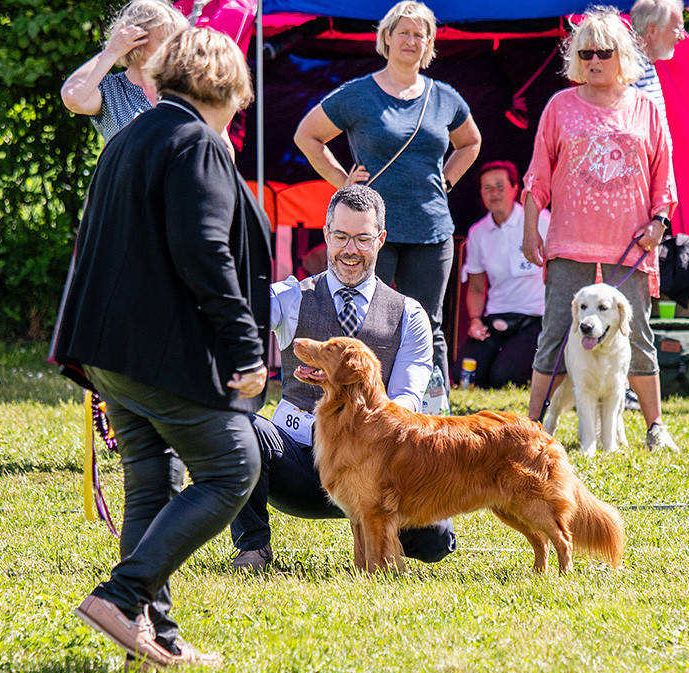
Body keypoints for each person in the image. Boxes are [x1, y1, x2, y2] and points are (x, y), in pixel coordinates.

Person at [52, 28, 272, 668]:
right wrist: (244, 347)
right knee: (234, 466)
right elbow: (204, 251)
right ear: (229, 87)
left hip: (107, 352)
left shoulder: (131, 138)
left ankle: (153, 635)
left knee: (151, 483)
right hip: (153, 351)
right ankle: (123, 597)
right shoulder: (195, 142)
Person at [228, 184, 457, 571]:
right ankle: (253, 547)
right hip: (299, 462)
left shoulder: (410, 315)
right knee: (241, 425)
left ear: (380, 240)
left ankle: (382, 534)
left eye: (363, 238)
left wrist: (364, 448)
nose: (350, 249)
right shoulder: (290, 296)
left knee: (436, 540)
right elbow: (239, 317)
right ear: (326, 234)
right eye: (341, 236)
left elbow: (406, 400)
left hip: (374, 469)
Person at [293, 0, 482, 386]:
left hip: (431, 229)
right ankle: (354, 405)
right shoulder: (358, 94)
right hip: (371, 232)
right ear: (387, 38)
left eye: (420, 34)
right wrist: (342, 182)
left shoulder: (444, 97)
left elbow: (471, 142)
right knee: (363, 316)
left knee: (429, 323)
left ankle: (433, 413)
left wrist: (446, 180)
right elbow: (306, 136)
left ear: (429, 43)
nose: (411, 40)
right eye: (404, 32)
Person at [521, 7, 680, 452]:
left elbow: (663, 174)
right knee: (555, 333)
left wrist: (659, 222)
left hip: (629, 245)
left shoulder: (646, 108)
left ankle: (655, 428)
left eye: (603, 52)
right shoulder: (559, 107)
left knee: (639, 335)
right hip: (569, 241)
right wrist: (530, 229)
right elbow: (538, 175)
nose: (593, 60)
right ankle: (531, 429)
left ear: (621, 55)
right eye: (585, 52)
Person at [456, 160, 548, 388]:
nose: (493, 193)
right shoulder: (477, 232)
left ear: (515, 189)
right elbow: (477, 288)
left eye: (499, 186)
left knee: (504, 378)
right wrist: (475, 320)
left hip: (535, 318)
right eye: (487, 187)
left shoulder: (542, 220)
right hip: (496, 316)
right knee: (466, 375)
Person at [60, 0, 187, 142]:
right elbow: (72, 96)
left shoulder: (181, 88)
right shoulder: (110, 89)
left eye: (176, 42)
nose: (173, 49)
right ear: (136, 37)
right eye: (164, 40)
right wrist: (112, 51)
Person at [629, 0, 685, 131]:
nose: (681, 37)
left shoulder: (644, 64)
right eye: (677, 29)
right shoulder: (628, 71)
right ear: (652, 30)